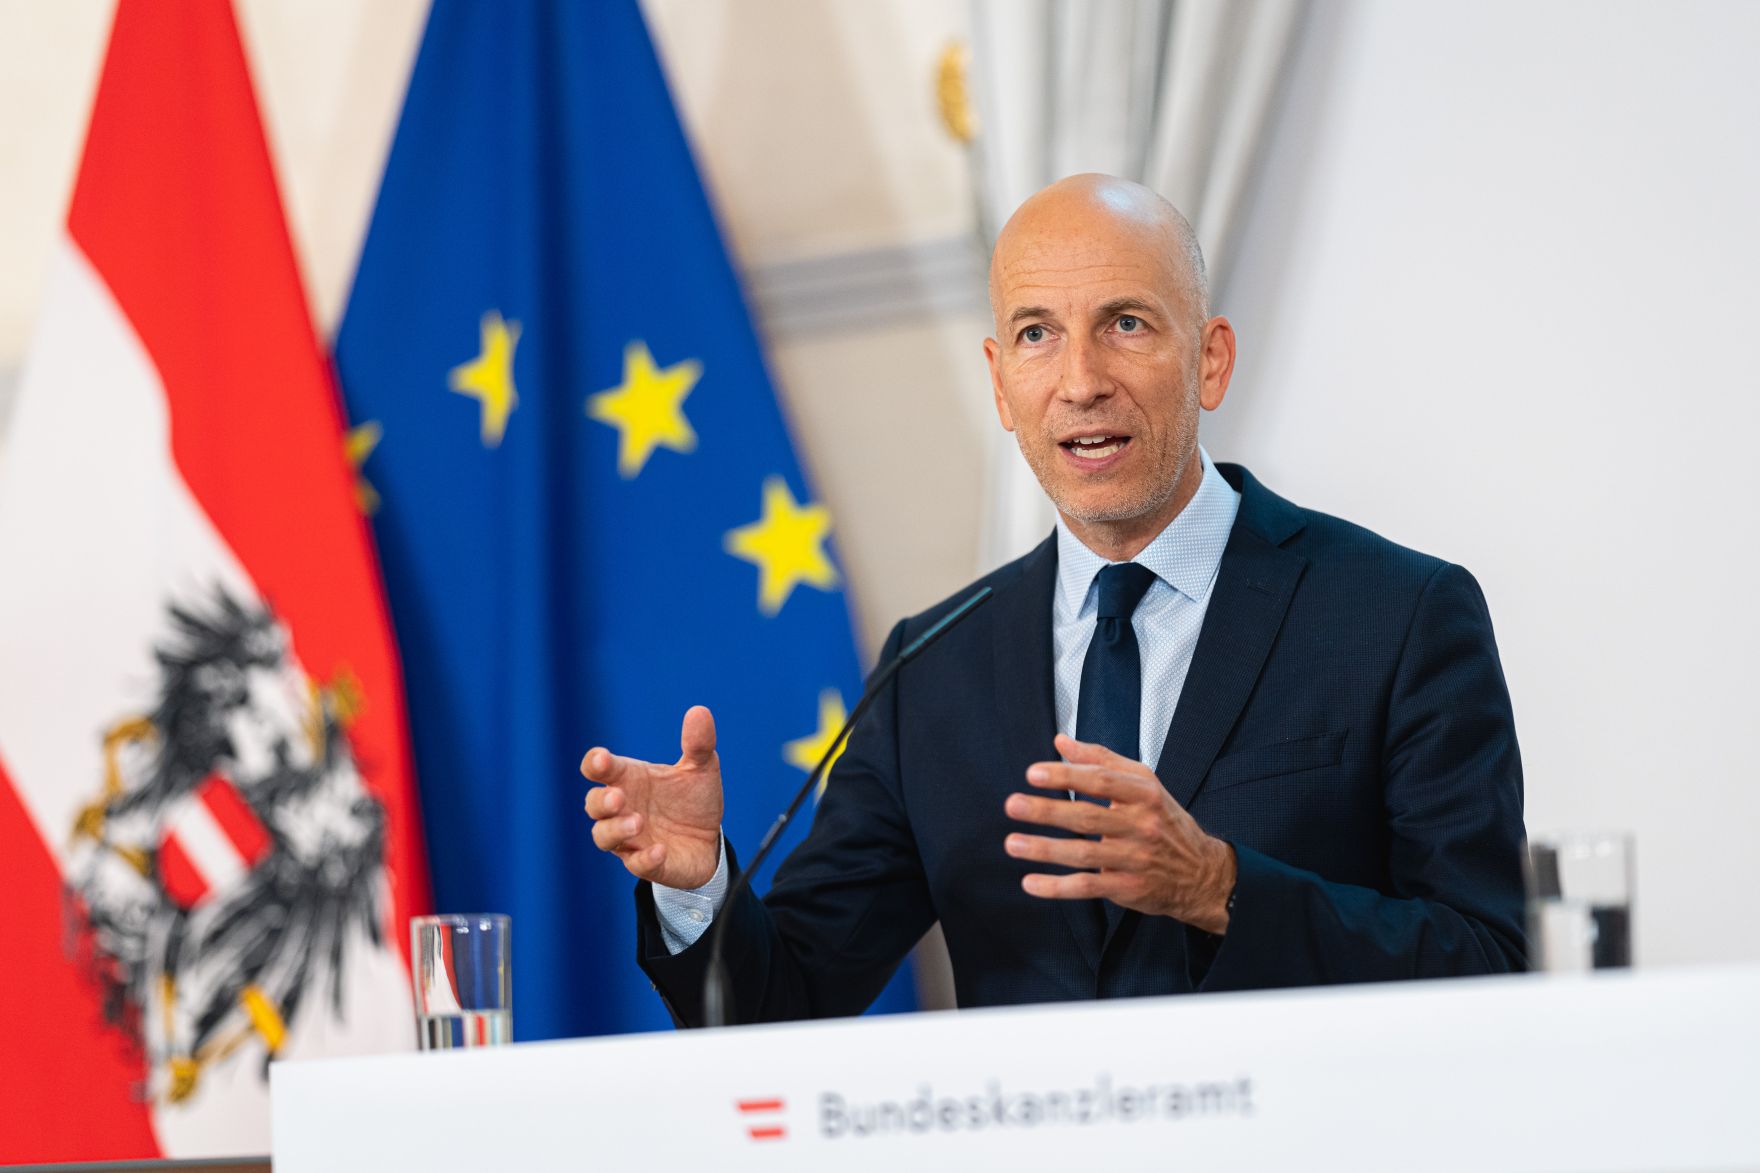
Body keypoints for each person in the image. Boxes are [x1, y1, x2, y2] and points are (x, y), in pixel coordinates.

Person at [581, 174, 1527, 1025]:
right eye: (1038, 334)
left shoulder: (1400, 615)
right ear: (1001, 384)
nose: (1081, 382)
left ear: (1210, 360)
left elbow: (1493, 964)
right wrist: (698, 884)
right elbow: (784, 1001)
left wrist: (1218, 886)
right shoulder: (929, 668)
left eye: (1127, 323)